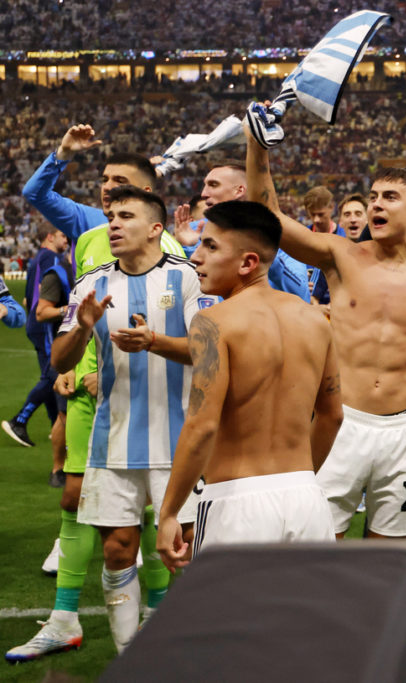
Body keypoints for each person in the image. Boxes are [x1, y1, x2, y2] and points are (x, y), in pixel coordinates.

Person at [245, 125, 406, 543]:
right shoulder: (340, 256)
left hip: (405, 431)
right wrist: (257, 148)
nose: (376, 205)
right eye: (372, 197)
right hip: (340, 422)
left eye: (389, 197)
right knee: (313, 542)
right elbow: (269, 220)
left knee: (395, 555)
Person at [7, 125, 185, 664]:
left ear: (151, 210)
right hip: (98, 401)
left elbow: (209, 350)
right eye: (105, 184)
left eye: (121, 188)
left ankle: (161, 627)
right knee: (85, 508)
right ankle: (72, 623)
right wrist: (79, 353)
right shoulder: (92, 238)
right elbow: (36, 195)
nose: (108, 195)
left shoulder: (182, 266)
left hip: (167, 416)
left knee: (161, 529)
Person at [49, 185, 202, 655]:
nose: (113, 223)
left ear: (155, 228)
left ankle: (199, 650)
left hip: (180, 439)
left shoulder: (187, 278)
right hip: (113, 439)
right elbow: (59, 361)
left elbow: (208, 350)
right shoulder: (91, 284)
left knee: (188, 548)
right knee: (117, 550)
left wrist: (154, 341)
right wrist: (83, 326)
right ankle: (128, 655)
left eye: (126, 216)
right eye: (111, 216)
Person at [157, 200, 341, 570]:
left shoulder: (213, 321)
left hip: (237, 503)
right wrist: (298, 479)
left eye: (210, 246)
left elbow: (202, 425)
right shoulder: (314, 320)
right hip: (307, 498)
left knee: (232, 611)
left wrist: (169, 512)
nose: (196, 257)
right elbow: (332, 416)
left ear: (247, 263)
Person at [173, 161, 310, 302]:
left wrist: (265, 251)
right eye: (205, 185)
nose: (204, 194)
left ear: (239, 191)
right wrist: (191, 247)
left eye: (213, 185)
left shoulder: (278, 234)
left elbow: (301, 295)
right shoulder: (193, 231)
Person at [3, 228, 71, 451]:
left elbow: (27, 296)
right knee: (53, 374)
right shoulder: (52, 258)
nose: (66, 240)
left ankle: (56, 426)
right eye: (62, 236)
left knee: (51, 376)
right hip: (45, 324)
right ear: (50, 236)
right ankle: (20, 420)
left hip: (35, 321)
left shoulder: (37, 258)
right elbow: (45, 291)